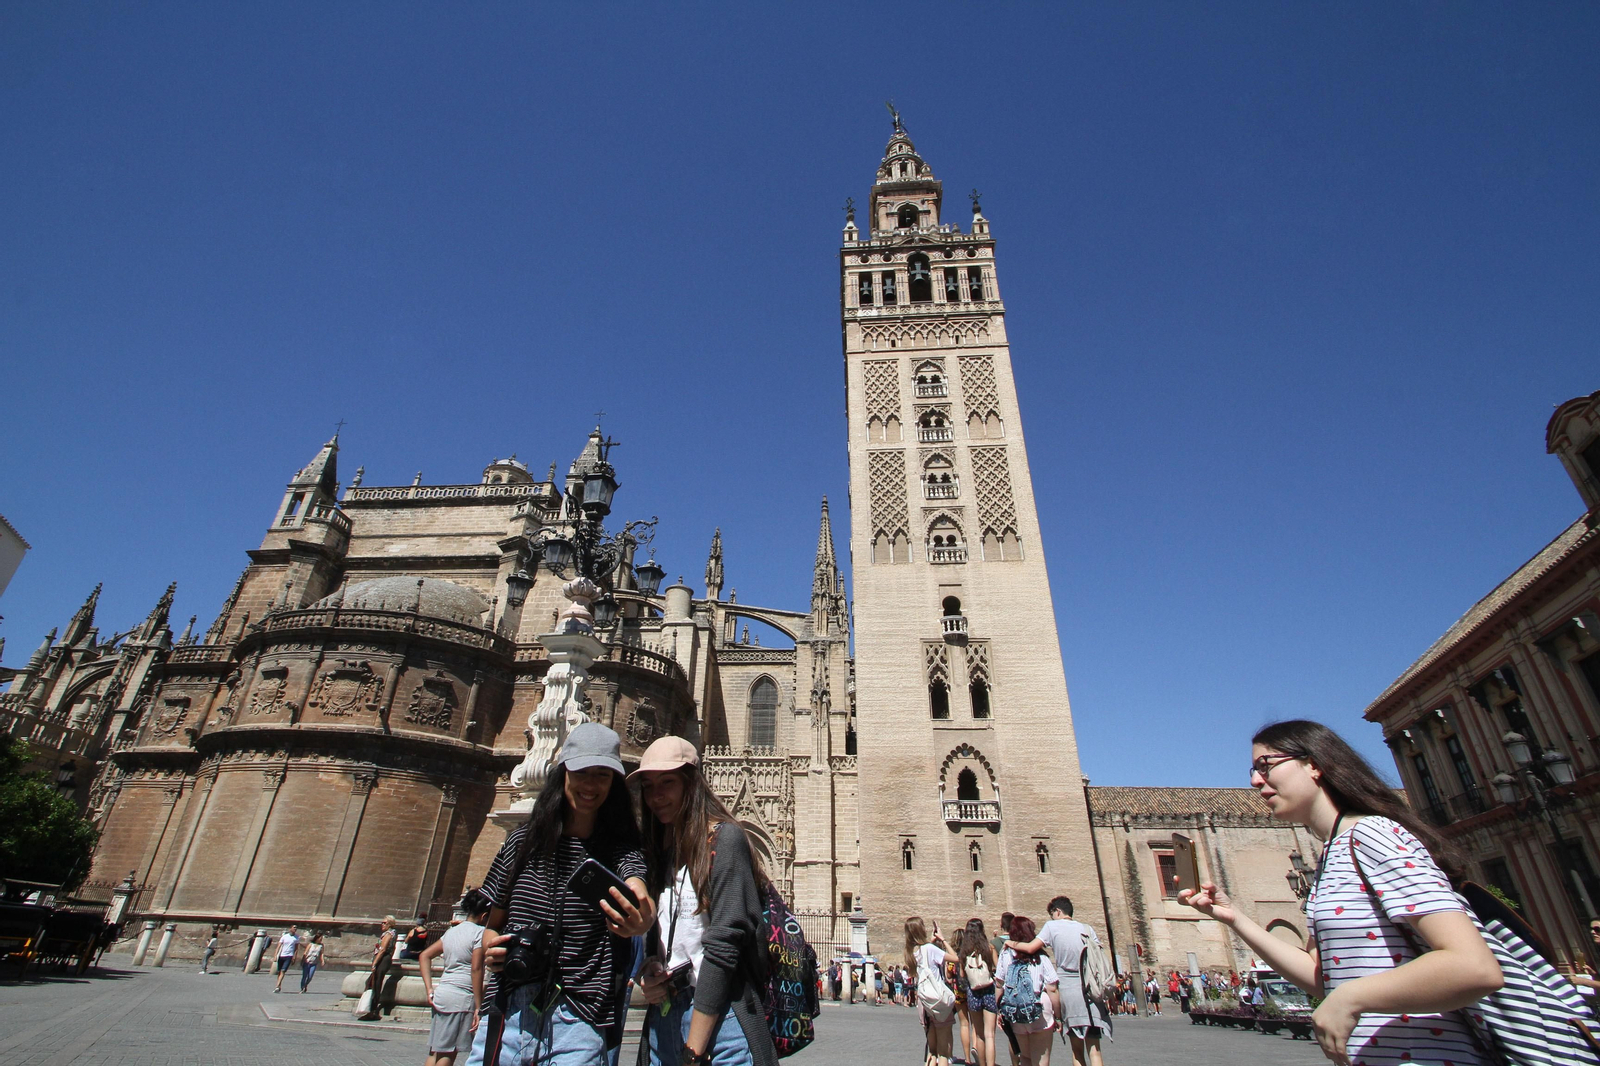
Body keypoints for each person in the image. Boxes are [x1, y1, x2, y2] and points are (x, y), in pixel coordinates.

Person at [1178, 719, 1504, 1066]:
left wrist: (1351, 997)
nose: (1255, 780)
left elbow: (1474, 966)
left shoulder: (1374, 835)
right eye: (1253, 770)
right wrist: (1235, 918)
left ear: (1314, 764)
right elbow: (1324, 979)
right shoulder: (1330, 858)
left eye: (1266, 765)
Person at [467, 722, 655, 1066]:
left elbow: (637, 888)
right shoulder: (521, 844)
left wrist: (640, 914)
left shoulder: (619, 852)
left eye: (602, 774)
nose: (590, 784)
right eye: (582, 771)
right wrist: (491, 946)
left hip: (578, 1016)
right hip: (510, 1008)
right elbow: (492, 925)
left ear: (614, 784)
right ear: (563, 772)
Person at [631, 734, 775, 1066]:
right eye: (649, 786)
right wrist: (649, 971)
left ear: (691, 784)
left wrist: (693, 1052)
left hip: (720, 1020)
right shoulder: (660, 852)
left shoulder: (725, 841)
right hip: (666, 1017)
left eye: (667, 782)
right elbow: (665, 938)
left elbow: (724, 947)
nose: (657, 796)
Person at [1003, 897, 1107, 1066]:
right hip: (1092, 991)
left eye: (1052, 914)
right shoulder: (1087, 929)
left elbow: (1030, 948)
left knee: (1077, 1051)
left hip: (1069, 990)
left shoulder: (1052, 926)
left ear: (1058, 911)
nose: (1052, 917)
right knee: (1095, 1050)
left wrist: (1010, 942)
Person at [421, 888, 490, 1066]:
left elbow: (425, 955)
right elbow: (476, 969)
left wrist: (429, 988)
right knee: (449, 1052)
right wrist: (478, 1005)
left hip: (442, 992)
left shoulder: (451, 932)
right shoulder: (479, 933)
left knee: (435, 1049)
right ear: (484, 916)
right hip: (461, 997)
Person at [994, 916, 1057, 1066]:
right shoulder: (1039, 955)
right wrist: (1059, 1016)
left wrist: (998, 1010)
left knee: (1025, 1058)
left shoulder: (1005, 953)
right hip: (1039, 1009)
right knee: (1041, 1060)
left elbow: (999, 984)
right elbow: (1052, 988)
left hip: (1016, 1010)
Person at [907, 917, 958, 1066]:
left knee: (932, 1051)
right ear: (920, 930)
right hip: (938, 1001)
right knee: (943, 1052)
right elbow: (955, 958)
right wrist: (943, 940)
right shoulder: (930, 949)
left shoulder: (911, 953)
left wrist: (930, 941)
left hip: (924, 1002)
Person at [959, 918, 999, 1066]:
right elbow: (998, 970)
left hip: (973, 993)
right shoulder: (989, 948)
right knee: (990, 1035)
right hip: (989, 991)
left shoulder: (964, 952)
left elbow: (962, 976)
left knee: (979, 1034)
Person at [991, 914, 1020, 1066]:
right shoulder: (1027, 944)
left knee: (1013, 1036)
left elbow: (999, 978)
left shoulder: (997, 944)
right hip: (1028, 996)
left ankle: (1016, 1063)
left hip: (1009, 994)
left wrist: (997, 1007)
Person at [361, 916, 399, 1019]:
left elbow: (382, 950)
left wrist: (375, 963)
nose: (382, 924)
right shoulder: (391, 934)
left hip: (383, 960)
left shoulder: (388, 934)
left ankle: (373, 1011)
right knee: (372, 982)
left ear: (390, 924)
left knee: (375, 984)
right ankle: (371, 1009)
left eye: (384, 923)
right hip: (384, 960)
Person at [273, 924, 300, 993]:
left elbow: (296, 949)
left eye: (296, 928)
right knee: (279, 972)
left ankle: (277, 986)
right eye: (294, 927)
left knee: (283, 971)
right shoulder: (284, 937)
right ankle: (279, 985)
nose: (295, 929)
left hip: (289, 956)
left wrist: (294, 956)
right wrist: (275, 955)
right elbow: (278, 946)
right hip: (282, 955)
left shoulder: (296, 938)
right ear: (290, 928)